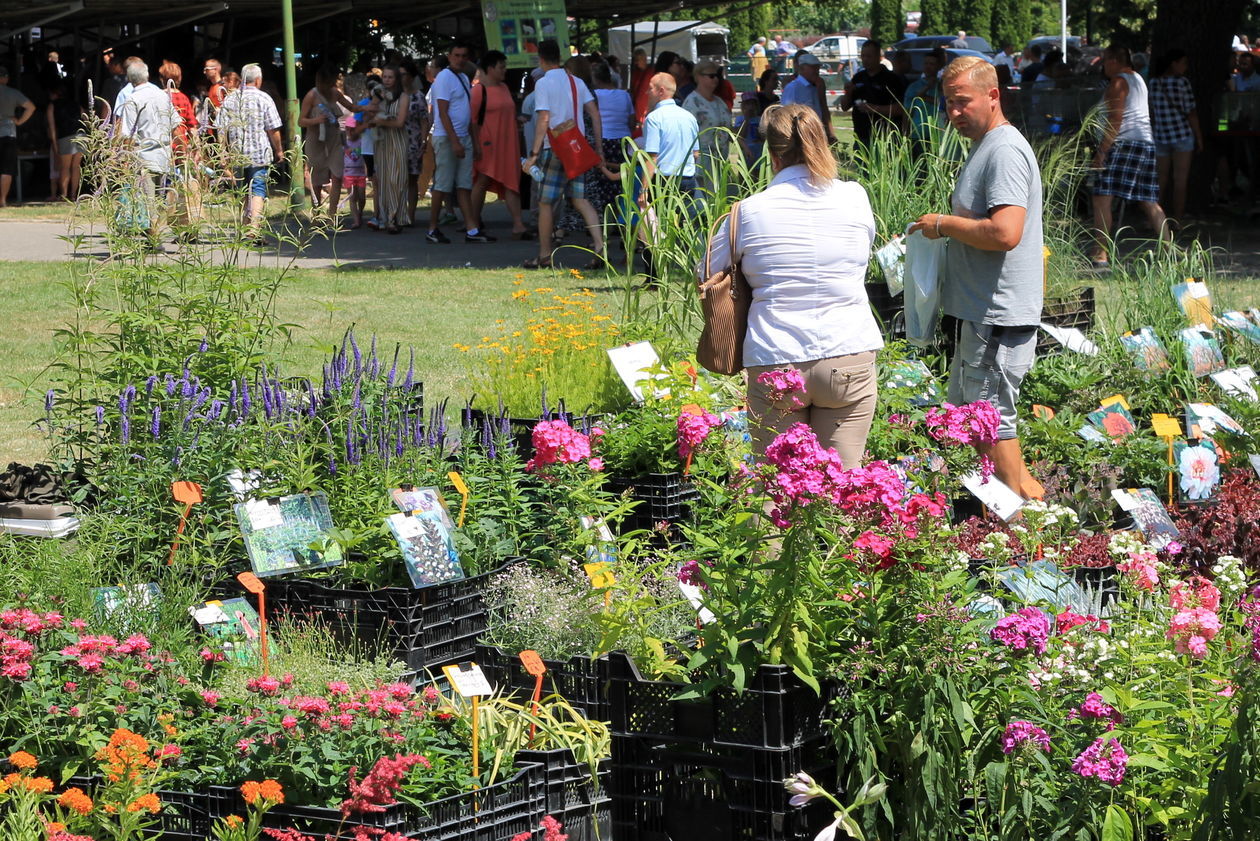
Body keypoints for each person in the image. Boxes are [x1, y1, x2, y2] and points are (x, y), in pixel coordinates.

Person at [701, 103, 882, 466]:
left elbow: (704, 272)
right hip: (848, 353)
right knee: (841, 491)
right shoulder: (854, 197)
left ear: (773, 156)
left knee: (777, 491)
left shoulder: (748, 212)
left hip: (775, 358)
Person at [908, 56, 1045, 500]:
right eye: (948, 103)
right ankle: (1031, 514)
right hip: (983, 310)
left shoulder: (1003, 150)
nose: (953, 113)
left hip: (998, 313)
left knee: (991, 423)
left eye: (962, 102)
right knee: (983, 420)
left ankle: (1024, 534)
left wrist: (944, 224)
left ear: (993, 94)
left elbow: (1006, 233)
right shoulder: (988, 146)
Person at [522, 39, 605, 270]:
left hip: (554, 147)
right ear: (559, 57)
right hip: (576, 148)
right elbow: (595, 115)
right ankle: (599, 247)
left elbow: (544, 119)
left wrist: (535, 152)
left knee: (546, 203)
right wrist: (597, 149)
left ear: (541, 59)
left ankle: (545, 254)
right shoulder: (576, 81)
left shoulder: (543, 83)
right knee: (580, 200)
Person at [1088, 44, 1171, 268]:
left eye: (1105, 60)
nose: (1103, 65)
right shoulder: (1137, 80)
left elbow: (1115, 119)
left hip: (1124, 144)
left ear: (1115, 60)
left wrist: (1102, 152)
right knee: (1149, 201)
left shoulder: (1118, 82)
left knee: (1102, 197)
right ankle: (1169, 250)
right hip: (1145, 143)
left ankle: (1101, 253)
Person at [216, 63, 283, 241]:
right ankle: (253, 230)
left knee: (243, 191)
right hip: (259, 153)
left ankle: (245, 227)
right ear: (258, 80)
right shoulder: (264, 98)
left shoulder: (230, 100)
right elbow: (273, 129)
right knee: (258, 190)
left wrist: (223, 152)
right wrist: (279, 150)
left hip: (237, 153)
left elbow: (221, 129)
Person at [428, 43, 488, 243]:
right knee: (443, 184)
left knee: (464, 184)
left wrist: (473, 141)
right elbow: (442, 112)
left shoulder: (463, 77)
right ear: (449, 56)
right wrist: (454, 141)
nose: (460, 59)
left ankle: (472, 228)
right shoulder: (444, 77)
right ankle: (433, 228)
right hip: (447, 137)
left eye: (464, 55)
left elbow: (468, 114)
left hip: (463, 136)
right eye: (456, 55)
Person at [471, 50, 530, 238]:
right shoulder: (479, 90)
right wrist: (476, 145)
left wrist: (516, 120)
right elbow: (472, 121)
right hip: (488, 143)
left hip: (507, 143)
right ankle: (472, 223)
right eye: (501, 67)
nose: (505, 70)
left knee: (511, 182)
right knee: (482, 180)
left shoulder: (503, 88)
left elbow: (506, 112)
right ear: (490, 69)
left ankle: (518, 225)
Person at [116, 61, 177, 243]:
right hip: (164, 154)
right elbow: (176, 124)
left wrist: (123, 158)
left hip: (144, 157)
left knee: (148, 199)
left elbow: (128, 135)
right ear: (147, 76)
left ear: (129, 79)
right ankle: (155, 236)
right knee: (159, 198)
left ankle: (154, 240)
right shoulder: (162, 95)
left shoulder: (132, 100)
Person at [1149, 49, 1203, 224]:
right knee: (1180, 180)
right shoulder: (1182, 83)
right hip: (1182, 136)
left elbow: (1152, 111)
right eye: (1184, 63)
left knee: (1160, 180)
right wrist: (1199, 137)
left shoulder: (1154, 83)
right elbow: (1191, 113)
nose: (1185, 67)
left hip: (1161, 136)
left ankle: (1156, 220)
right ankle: (1178, 220)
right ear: (1174, 63)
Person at [298, 64, 355, 223]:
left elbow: (350, 107)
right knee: (317, 179)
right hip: (316, 140)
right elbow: (301, 121)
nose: (327, 86)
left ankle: (332, 214)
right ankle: (316, 214)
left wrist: (369, 107)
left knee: (337, 175)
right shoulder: (312, 95)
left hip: (334, 138)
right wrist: (316, 120)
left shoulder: (335, 93)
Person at [640, 72, 700, 203]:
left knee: (660, 222)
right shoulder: (689, 117)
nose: (647, 93)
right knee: (683, 222)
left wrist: (644, 190)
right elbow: (696, 154)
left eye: (650, 88)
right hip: (688, 179)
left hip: (663, 181)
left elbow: (651, 157)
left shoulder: (654, 118)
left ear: (660, 91)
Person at [368, 64, 411, 234]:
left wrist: (382, 121)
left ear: (396, 79)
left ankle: (397, 216)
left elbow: (400, 122)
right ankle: (388, 219)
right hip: (382, 141)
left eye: (390, 77)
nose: (386, 80)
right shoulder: (379, 94)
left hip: (398, 140)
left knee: (397, 178)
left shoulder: (404, 97)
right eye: (384, 77)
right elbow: (371, 114)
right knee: (384, 179)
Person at [841, 40, 906, 149]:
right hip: (862, 137)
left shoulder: (891, 79)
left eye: (869, 56)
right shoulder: (858, 77)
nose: (865, 60)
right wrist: (848, 93)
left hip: (885, 139)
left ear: (878, 57)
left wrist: (874, 109)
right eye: (863, 56)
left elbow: (900, 109)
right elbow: (844, 107)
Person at [590, 59, 634, 217]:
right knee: (622, 182)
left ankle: (604, 218)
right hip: (623, 140)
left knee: (602, 182)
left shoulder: (595, 95)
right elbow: (631, 119)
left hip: (604, 139)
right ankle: (620, 216)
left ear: (596, 79)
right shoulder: (624, 95)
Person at [682, 60, 733, 190]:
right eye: (711, 76)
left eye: (717, 76)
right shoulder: (691, 102)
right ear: (698, 77)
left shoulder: (719, 101)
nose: (715, 79)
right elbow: (686, 133)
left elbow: (727, 127)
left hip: (722, 157)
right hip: (703, 160)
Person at [400, 60, 430, 226]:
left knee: (412, 179)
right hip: (396, 141)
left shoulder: (418, 96)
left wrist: (424, 140)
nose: (401, 77)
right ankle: (397, 212)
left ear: (411, 76)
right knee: (397, 179)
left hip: (413, 141)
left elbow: (424, 120)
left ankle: (410, 214)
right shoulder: (394, 95)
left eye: (404, 74)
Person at [0, 66, 35, 207]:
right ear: (5, 78)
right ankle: (2, 200)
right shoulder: (13, 93)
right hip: (8, 132)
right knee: (6, 169)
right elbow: (31, 107)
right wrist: (19, 121)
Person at [45, 79, 85, 201]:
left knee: (64, 167)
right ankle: (73, 195)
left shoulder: (52, 106)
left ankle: (63, 195)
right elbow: (85, 117)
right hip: (81, 136)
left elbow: (52, 127)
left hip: (65, 136)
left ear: (54, 93)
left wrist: (55, 145)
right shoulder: (76, 104)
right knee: (76, 167)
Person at [780, 53, 834, 142]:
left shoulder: (814, 87)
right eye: (813, 68)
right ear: (802, 69)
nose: (817, 71)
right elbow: (785, 115)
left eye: (818, 68)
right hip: (800, 137)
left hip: (815, 134)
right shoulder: (793, 88)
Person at [903, 48, 946, 159]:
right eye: (926, 63)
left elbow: (943, 104)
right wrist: (904, 135)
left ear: (938, 66)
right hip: (917, 135)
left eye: (932, 64)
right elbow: (907, 112)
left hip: (937, 136)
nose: (928, 66)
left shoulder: (942, 87)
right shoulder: (914, 87)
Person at [342, 112, 368, 228]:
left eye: (353, 129)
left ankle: (360, 212)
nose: (350, 132)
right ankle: (356, 220)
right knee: (352, 197)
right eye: (348, 130)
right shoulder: (344, 143)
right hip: (348, 173)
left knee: (362, 196)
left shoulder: (362, 141)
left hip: (361, 172)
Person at [735, 91, 764, 165]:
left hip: (758, 150)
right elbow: (740, 136)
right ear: (743, 106)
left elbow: (762, 137)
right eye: (747, 104)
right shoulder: (740, 119)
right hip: (746, 150)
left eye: (752, 103)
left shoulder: (760, 119)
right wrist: (747, 119)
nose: (750, 106)